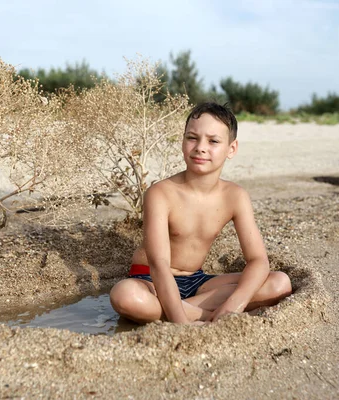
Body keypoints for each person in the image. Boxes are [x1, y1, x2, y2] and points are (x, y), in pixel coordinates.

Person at [109, 102, 292, 325]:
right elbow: (158, 264)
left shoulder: (235, 196)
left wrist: (234, 305)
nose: (200, 147)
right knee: (125, 296)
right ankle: (201, 316)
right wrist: (182, 325)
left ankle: (194, 312)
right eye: (192, 138)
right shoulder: (160, 193)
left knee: (279, 283)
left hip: (197, 282)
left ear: (231, 149)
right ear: (183, 141)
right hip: (150, 281)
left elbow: (258, 261)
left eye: (213, 141)